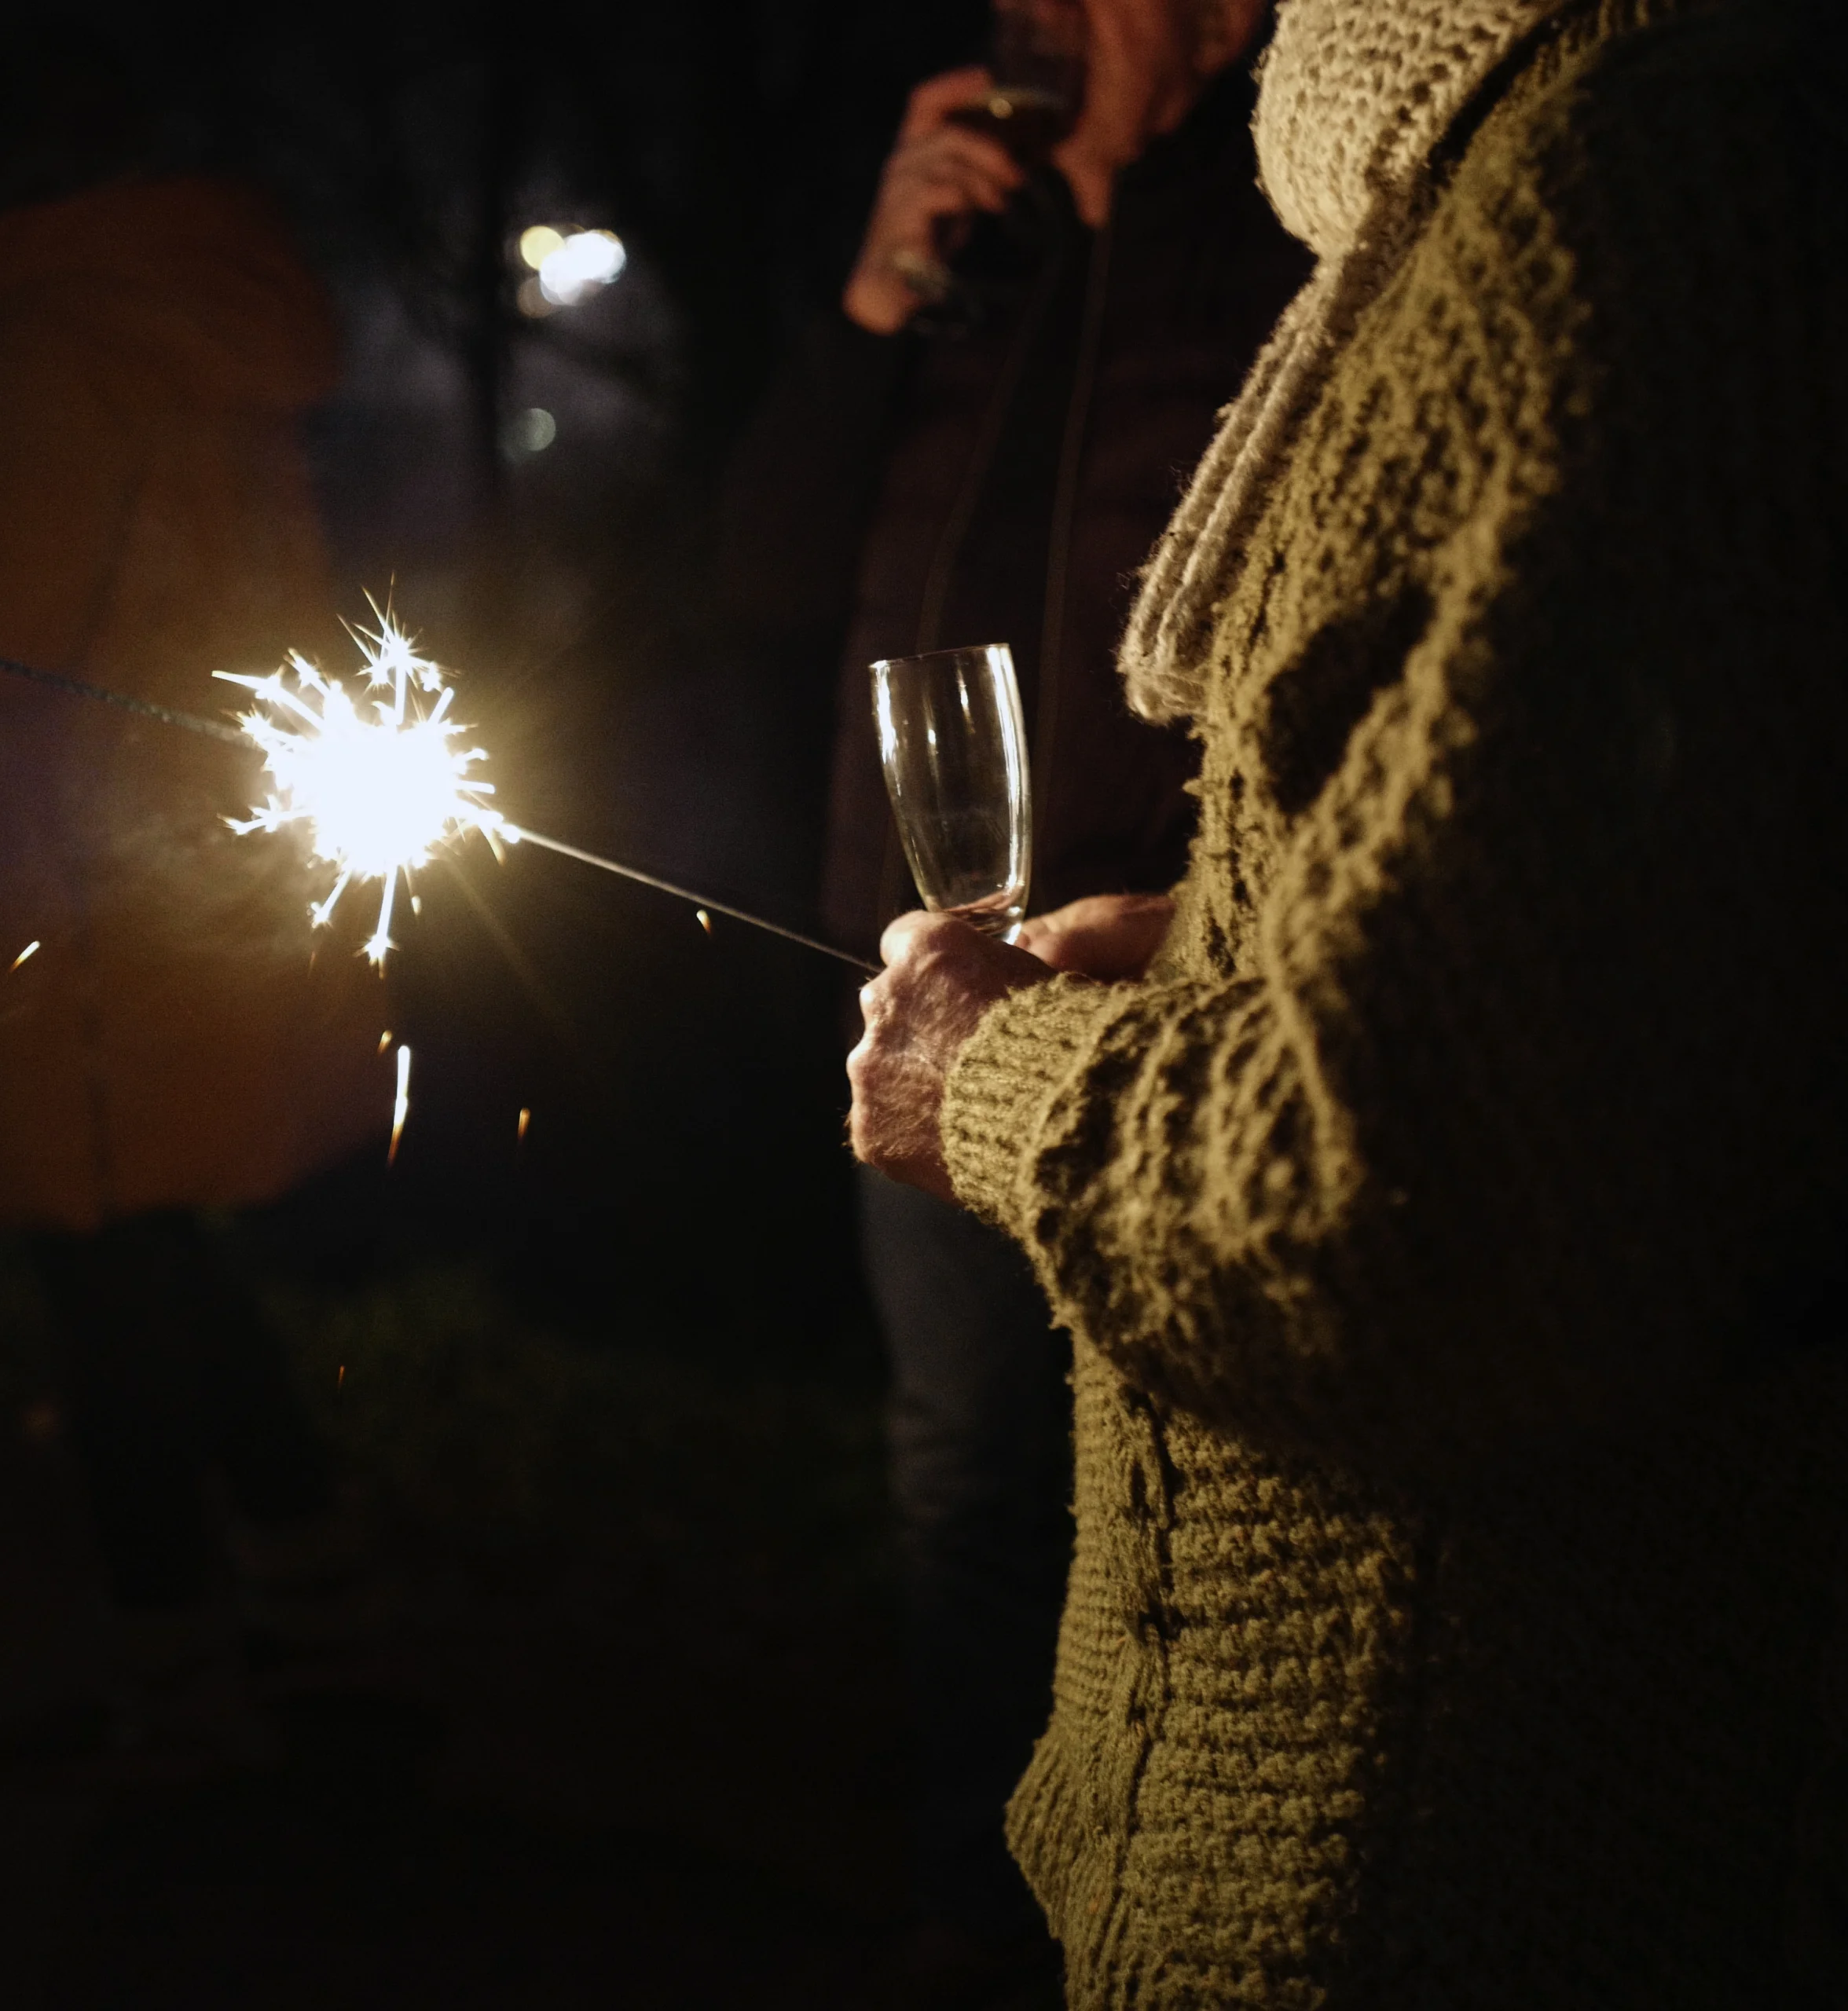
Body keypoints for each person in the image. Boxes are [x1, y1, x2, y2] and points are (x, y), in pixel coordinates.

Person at [849, 0, 1848, 2000]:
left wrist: (993, 1075)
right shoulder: (1523, 169)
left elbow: (1442, 1199)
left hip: (1478, 1877)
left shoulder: (1670, 189)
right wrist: (1234, 931)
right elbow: (1624, 927)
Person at [717, 2, 1300, 1997]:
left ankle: (1188, 1920)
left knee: (1207, 1476)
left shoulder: (1284, 210)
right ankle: (977, 1913)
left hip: (1181, 959)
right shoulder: (979, 239)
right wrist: (871, 301)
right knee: (966, 1465)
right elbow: (762, 564)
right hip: (923, 966)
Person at [0, 5, 386, 1777]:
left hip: (79, 901)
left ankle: (182, 1693)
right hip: (184, 874)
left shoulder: (63, 338)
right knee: (164, 1261)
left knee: (108, 1288)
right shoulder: (189, 304)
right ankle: (310, 1636)